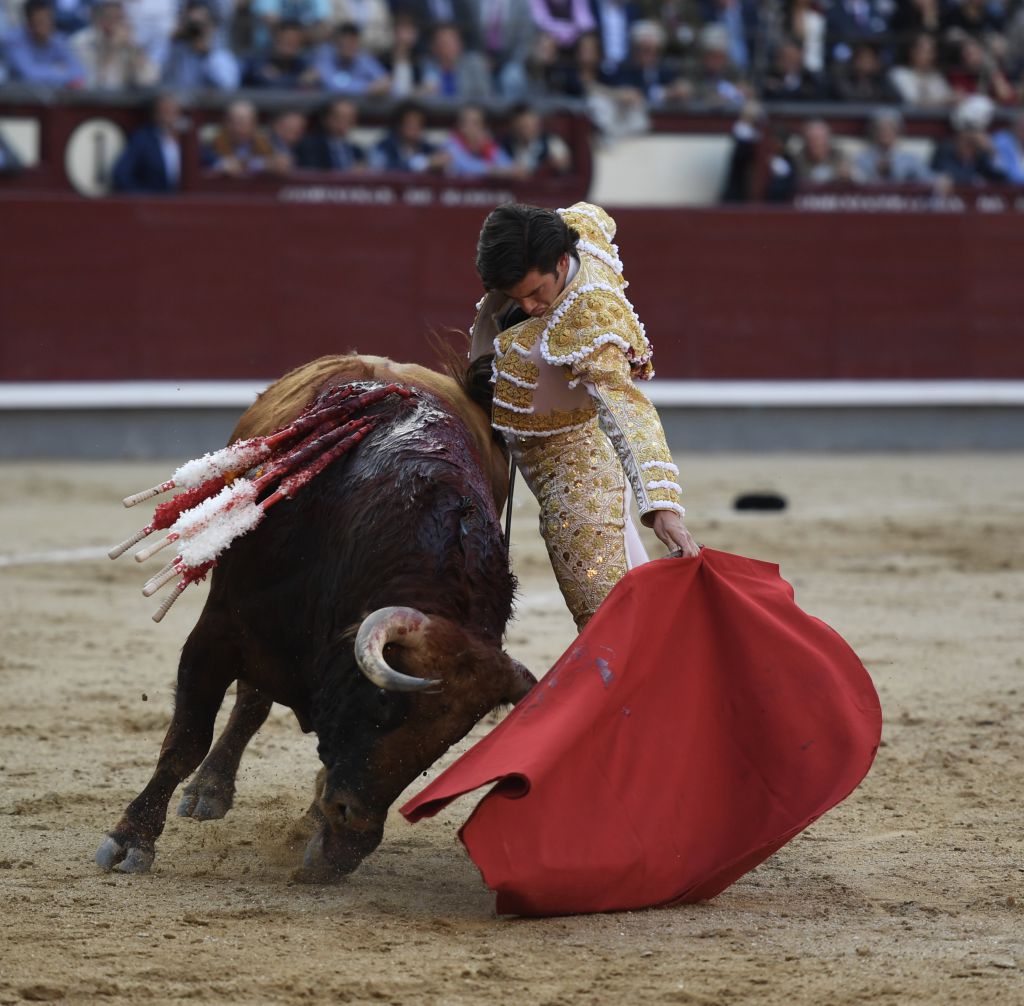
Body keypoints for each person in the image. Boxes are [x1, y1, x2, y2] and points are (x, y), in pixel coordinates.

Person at [469, 202, 698, 630]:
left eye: (537, 292)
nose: (531, 306)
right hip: (524, 438)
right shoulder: (571, 230)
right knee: (630, 589)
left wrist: (663, 505)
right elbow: (591, 214)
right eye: (516, 297)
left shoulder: (590, 321)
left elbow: (628, 410)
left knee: (605, 617)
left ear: (561, 262)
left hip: (572, 467)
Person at [71, 0, 158, 89]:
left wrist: (132, 50)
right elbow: (94, 84)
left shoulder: (128, 43)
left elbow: (149, 80)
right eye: (109, 18)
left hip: (125, 100)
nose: (115, 24)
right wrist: (112, 50)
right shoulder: (82, 42)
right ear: (98, 20)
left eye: (119, 19)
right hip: (91, 101)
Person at [112, 91, 183, 192]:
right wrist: (144, 199)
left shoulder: (186, 140)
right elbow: (121, 174)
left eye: (173, 113)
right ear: (155, 115)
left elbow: (210, 162)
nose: (168, 118)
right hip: (153, 202)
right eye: (164, 112)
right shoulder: (143, 139)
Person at [5, 0, 85, 86]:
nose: (47, 25)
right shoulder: (13, 40)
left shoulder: (57, 39)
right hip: (19, 97)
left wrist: (45, 72)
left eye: (49, 20)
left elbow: (79, 72)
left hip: (54, 96)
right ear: (29, 23)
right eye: (40, 21)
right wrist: (58, 70)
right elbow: (30, 75)